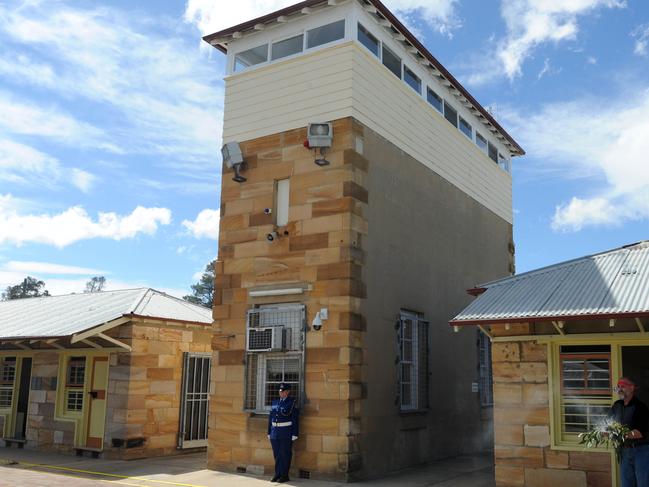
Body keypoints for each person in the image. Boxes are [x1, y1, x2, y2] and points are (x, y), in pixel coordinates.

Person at [610, 377, 649, 487]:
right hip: (624, 450)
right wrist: (604, 431)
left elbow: (638, 433)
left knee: (643, 483)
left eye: (623, 386)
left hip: (641, 451)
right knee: (626, 484)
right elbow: (608, 423)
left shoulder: (640, 407)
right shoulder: (616, 405)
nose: (620, 389)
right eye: (619, 386)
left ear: (632, 388)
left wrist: (617, 434)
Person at [267, 383, 299, 483]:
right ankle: (278, 474)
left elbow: (295, 419)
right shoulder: (275, 402)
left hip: (286, 432)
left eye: (283, 391)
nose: (281, 393)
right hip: (274, 432)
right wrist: (269, 432)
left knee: (285, 454)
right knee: (276, 454)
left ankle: (285, 475)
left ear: (288, 392)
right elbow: (270, 418)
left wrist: (295, 433)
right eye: (280, 391)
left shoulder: (292, 402)